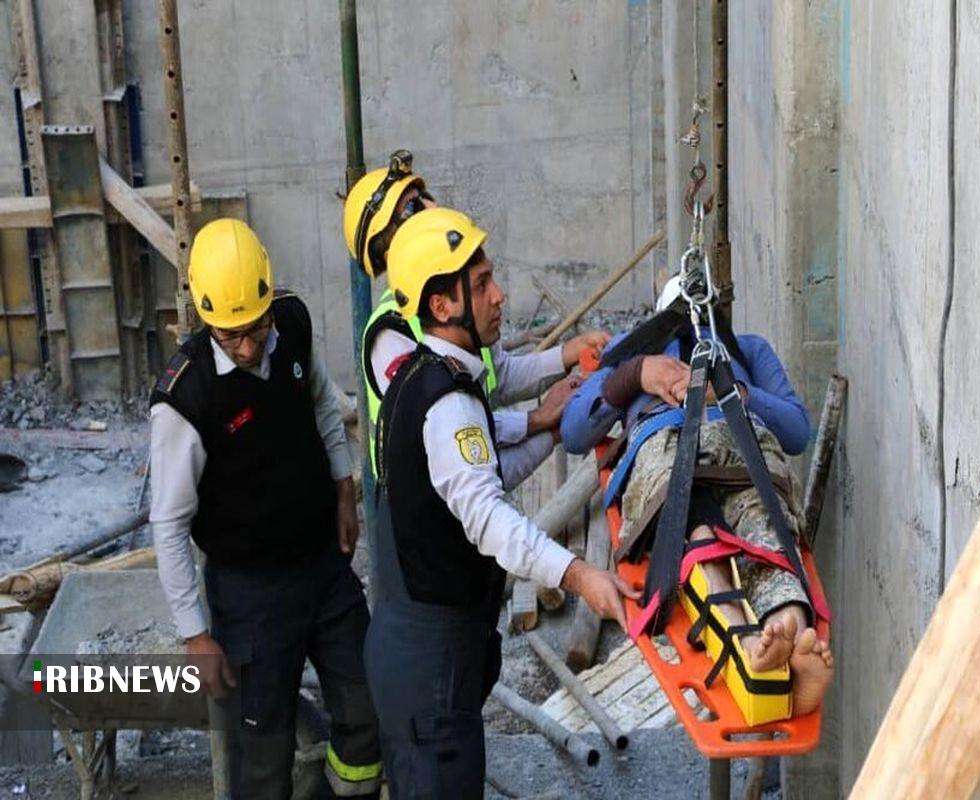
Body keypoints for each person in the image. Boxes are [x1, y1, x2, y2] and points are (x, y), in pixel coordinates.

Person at [364, 207, 635, 796]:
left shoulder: (432, 373)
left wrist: (552, 427)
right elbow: (487, 518)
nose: (498, 295)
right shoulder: (445, 402)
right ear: (442, 305)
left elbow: (483, 476)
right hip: (428, 663)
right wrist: (579, 572)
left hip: (426, 647)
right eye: (482, 284)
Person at [150, 219, 381, 798]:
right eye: (231, 337)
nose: (249, 347)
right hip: (250, 596)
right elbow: (170, 525)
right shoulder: (186, 398)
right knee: (262, 751)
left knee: (367, 708)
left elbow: (326, 404)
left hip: (323, 569)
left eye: (256, 328)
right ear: (205, 319)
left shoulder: (294, 326)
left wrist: (343, 486)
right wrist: (194, 636)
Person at [561, 276, 835, 716]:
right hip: (689, 439)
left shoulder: (745, 349)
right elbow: (575, 429)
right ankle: (784, 624)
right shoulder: (641, 355)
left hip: (718, 439)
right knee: (746, 526)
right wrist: (638, 374)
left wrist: (730, 391)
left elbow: (797, 430)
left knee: (715, 528)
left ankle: (770, 640)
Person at [341, 151, 607, 487]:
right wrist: (536, 421)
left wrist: (567, 354)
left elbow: (501, 374)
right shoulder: (391, 331)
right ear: (386, 244)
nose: (429, 207)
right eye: (411, 207)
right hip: (419, 508)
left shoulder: (453, 301)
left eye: (423, 195)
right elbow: (459, 426)